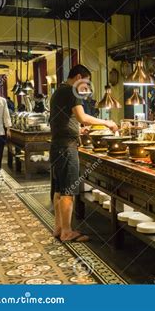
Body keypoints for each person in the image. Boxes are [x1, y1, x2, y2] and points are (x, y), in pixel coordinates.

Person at [50, 64, 118, 242]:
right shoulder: (72, 91)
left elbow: (65, 119)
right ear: (79, 77)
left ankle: (58, 227)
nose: (85, 88)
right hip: (67, 147)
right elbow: (83, 118)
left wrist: (78, 130)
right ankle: (67, 231)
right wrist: (107, 122)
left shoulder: (59, 91)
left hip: (57, 145)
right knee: (68, 191)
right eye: (86, 83)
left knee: (59, 189)